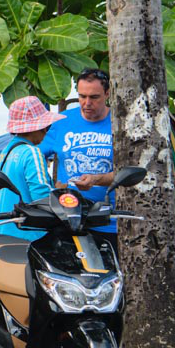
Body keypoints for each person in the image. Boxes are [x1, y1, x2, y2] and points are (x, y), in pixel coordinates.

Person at [40, 68, 117, 250]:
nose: (87, 103)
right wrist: (49, 185)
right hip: (68, 218)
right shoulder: (62, 121)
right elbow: (35, 155)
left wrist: (97, 179)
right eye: (82, 96)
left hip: (109, 221)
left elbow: (130, 171)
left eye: (94, 97)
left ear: (107, 93)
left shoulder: (119, 121)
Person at [0, 97, 64, 239]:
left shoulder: (6, 152)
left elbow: (0, 192)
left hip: (6, 231)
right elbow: (41, 195)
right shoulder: (32, 152)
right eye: (46, 127)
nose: (46, 131)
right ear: (36, 128)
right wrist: (59, 193)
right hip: (31, 233)